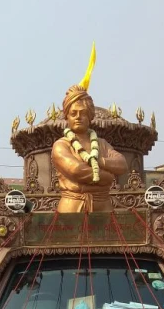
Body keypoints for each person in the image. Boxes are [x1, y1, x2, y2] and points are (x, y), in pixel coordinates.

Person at [51, 84, 128, 213]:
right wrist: (108, 177)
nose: (78, 117)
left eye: (83, 113)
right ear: (67, 116)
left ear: (90, 116)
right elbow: (77, 170)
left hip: (103, 206)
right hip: (73, 206)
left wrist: (99, 161)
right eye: (73, 113)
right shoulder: (61, 145)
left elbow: (122, 164)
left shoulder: (102, 144)